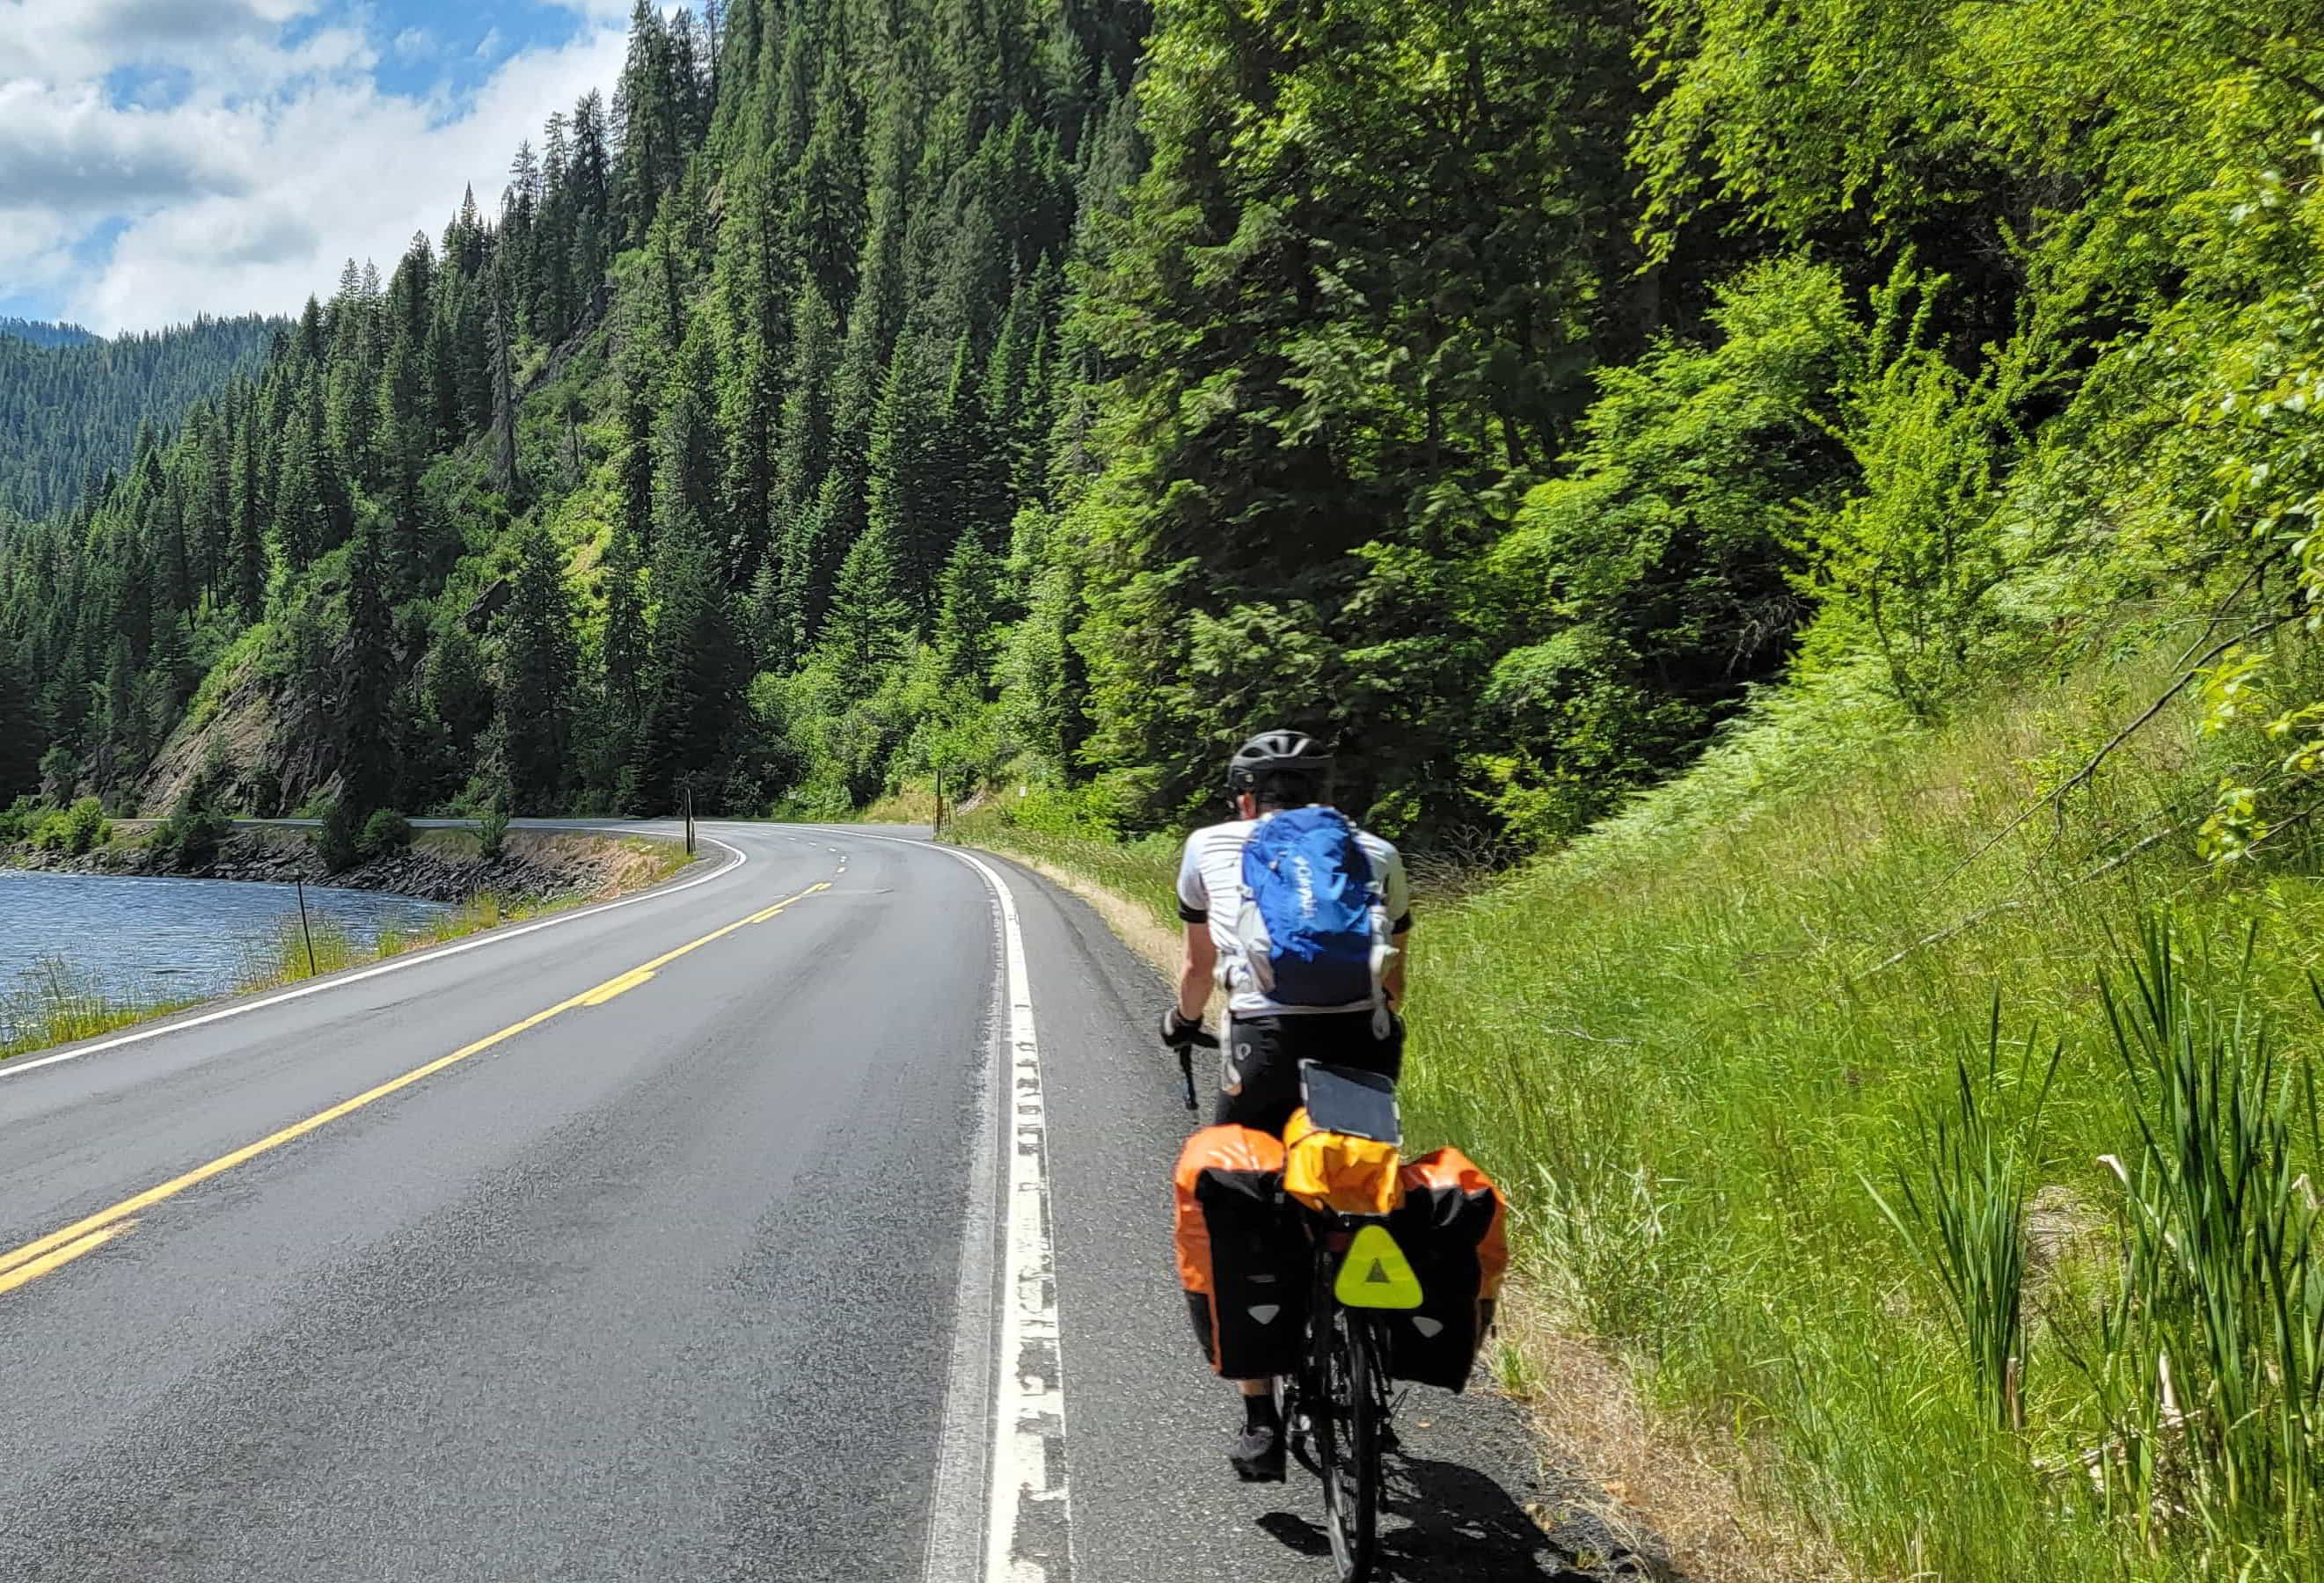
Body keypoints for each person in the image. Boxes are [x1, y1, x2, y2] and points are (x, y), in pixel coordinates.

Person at [1160, 729, 1412, 1482]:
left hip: (1263, 1045)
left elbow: (1199, 968)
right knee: (1359, 1179)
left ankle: (1260, 1419)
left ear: (1245, 798)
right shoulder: (1376, 852)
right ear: (1327, 796)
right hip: (1362, 1040)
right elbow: (1394, 979)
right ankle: (1370, 1342)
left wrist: (1180, 1022)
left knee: (1238, 1194)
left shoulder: (1211, 845)